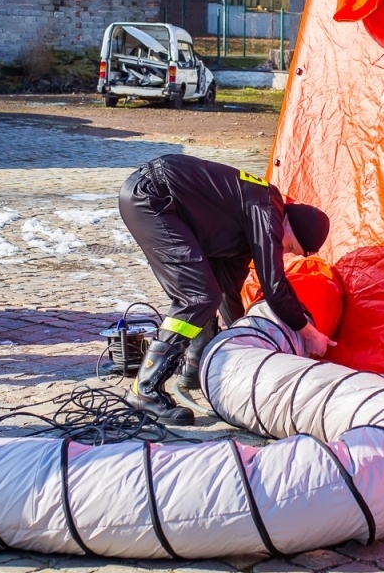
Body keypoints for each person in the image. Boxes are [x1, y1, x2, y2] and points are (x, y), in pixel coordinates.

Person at [117, 153, 332, 424]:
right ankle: (145, 389)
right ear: (289, 224)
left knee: (211, 291)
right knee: (197, 297)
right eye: (289, 246)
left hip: (160, 200)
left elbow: (229, 296)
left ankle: (194, 367)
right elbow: (274, 284)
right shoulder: (267, 210)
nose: (283, 251)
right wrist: (307, 332)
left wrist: (244, 340)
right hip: (154, 196)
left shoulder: (243, 233)